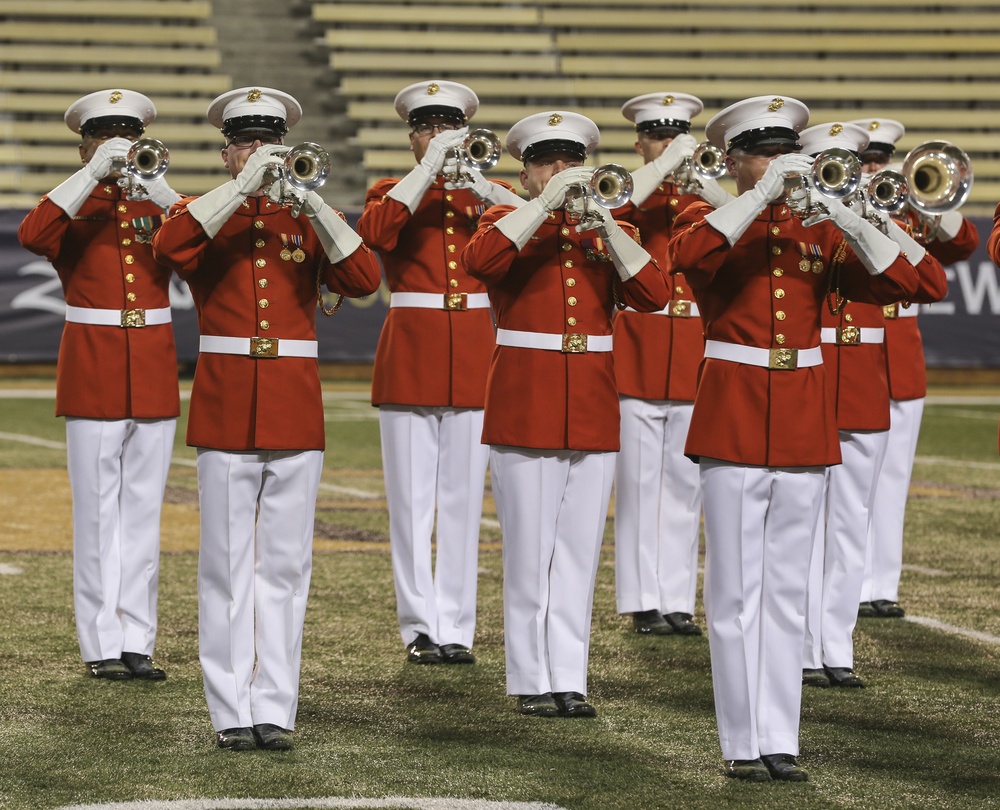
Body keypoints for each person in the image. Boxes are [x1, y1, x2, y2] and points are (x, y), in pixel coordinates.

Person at [668, 95, 919, 781]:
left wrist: (846, 213)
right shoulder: (708, 215)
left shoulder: (821, 230)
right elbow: (687, 256)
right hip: (733, 411)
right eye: (764, 153)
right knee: (733, 591)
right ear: (735, 160)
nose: (779, 164)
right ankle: (740, 740)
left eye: (787, 152)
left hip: (804, 416)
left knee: (784, 588)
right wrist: (760, 200)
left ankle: (781, 737)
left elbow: (919, 281)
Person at [152, 87, 381, 751]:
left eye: (266, 142)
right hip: (225, 405)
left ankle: (275, 707)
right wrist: (244, 188)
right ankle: (230, 711)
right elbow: (169, 247)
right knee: (226, 567)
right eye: (245, 143)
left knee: (285, 568)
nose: (258, 153)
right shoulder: (205, 212)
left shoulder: (310, 216)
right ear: (227, 154)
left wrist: (312, 201)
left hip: (294, 407)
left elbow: (365, 279)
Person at [462, 110, 670, 718]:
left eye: (570, 161)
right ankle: (531, 678)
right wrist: (546, 204)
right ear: (525, 174)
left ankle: (569, 676)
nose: (561, 172)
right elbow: (481, 262)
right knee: (529, 550)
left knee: (579, 552)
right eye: (547, 163)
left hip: (592, 399)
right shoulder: (505, 217)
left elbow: (655, 296)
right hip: (526, 398)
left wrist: (605, 222)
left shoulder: (608, 225)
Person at [18, 89, 182, 682]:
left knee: (143, 512)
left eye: (130, 139)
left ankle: (138, 638)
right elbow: (33, 236)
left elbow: (200, 241)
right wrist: (89, 175)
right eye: (106, 139)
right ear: (85, 144)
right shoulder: (72, 203)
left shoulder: (158, 203)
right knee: (96, 514)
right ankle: (100, 643)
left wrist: (155, 186)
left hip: (155, 364)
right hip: (94, 366)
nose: (120, 149)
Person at [357, 80, 523, 666]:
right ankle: (418, 625)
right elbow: (373, 236)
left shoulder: (494, 191)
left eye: (447, 129)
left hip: (477, 354)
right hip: (411, 357)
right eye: (427, 129)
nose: (438, 138)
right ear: (412, 138)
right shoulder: (392, 191)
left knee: (462, 504)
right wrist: (428, 171)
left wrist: (479, 185)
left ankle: (456, 625)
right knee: (411, 505)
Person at [798, 122, 948, 690]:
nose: (847, 178)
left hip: (862, 389)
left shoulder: (867, 229)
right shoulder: (790, 228)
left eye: (851, 166)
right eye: (834, 167)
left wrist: (877, 221)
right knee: (804, 527)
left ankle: (835, 646)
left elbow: (931, 284)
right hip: (809, 385)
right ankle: (802, 647)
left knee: (850, 524)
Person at [612, 92, 734, 638]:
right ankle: (642, 598)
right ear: (639, 144)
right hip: (636, 349)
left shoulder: (701, 198)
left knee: (686, 487)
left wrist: (698, 176)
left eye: (677, 136)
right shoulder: (622, 189)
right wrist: (664, 165)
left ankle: (677, 597)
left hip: (689, 349)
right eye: (658, 138)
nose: (669, 145)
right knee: (638, 485)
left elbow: (737, 217)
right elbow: (612, 209)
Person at [847, 118, 978, 619]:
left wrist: (919, 198)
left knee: (893, 480)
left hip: (900, 357)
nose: (875, 168)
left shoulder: (907, 211)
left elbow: (964, 243)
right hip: (857, 355)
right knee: (852, 483)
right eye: (867, 159)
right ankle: (850, 581)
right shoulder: (845, 210)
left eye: (882, 159)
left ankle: (881, 585)